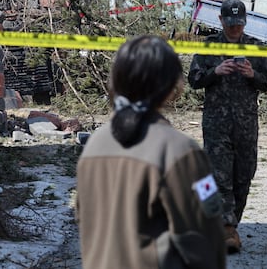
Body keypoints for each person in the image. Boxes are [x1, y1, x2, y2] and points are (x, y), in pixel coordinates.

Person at [76, 35, 226, 269]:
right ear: (171, 87)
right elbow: (206, 238)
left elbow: (84, 219)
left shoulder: (94, 145)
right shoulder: (180, 151)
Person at [188, 0, 267, 254]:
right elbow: (194, 79)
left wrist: (253, 75)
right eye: (230, 23)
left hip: (246, 124)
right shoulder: (210, 46)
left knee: (244, 176)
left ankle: (230, 224)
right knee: (220, 176)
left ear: (245, 22)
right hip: (217, 123)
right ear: (221, 21)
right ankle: (226, 229)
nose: (235, 28)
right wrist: (216, 71)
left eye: (239, 23)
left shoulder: (256, 47)